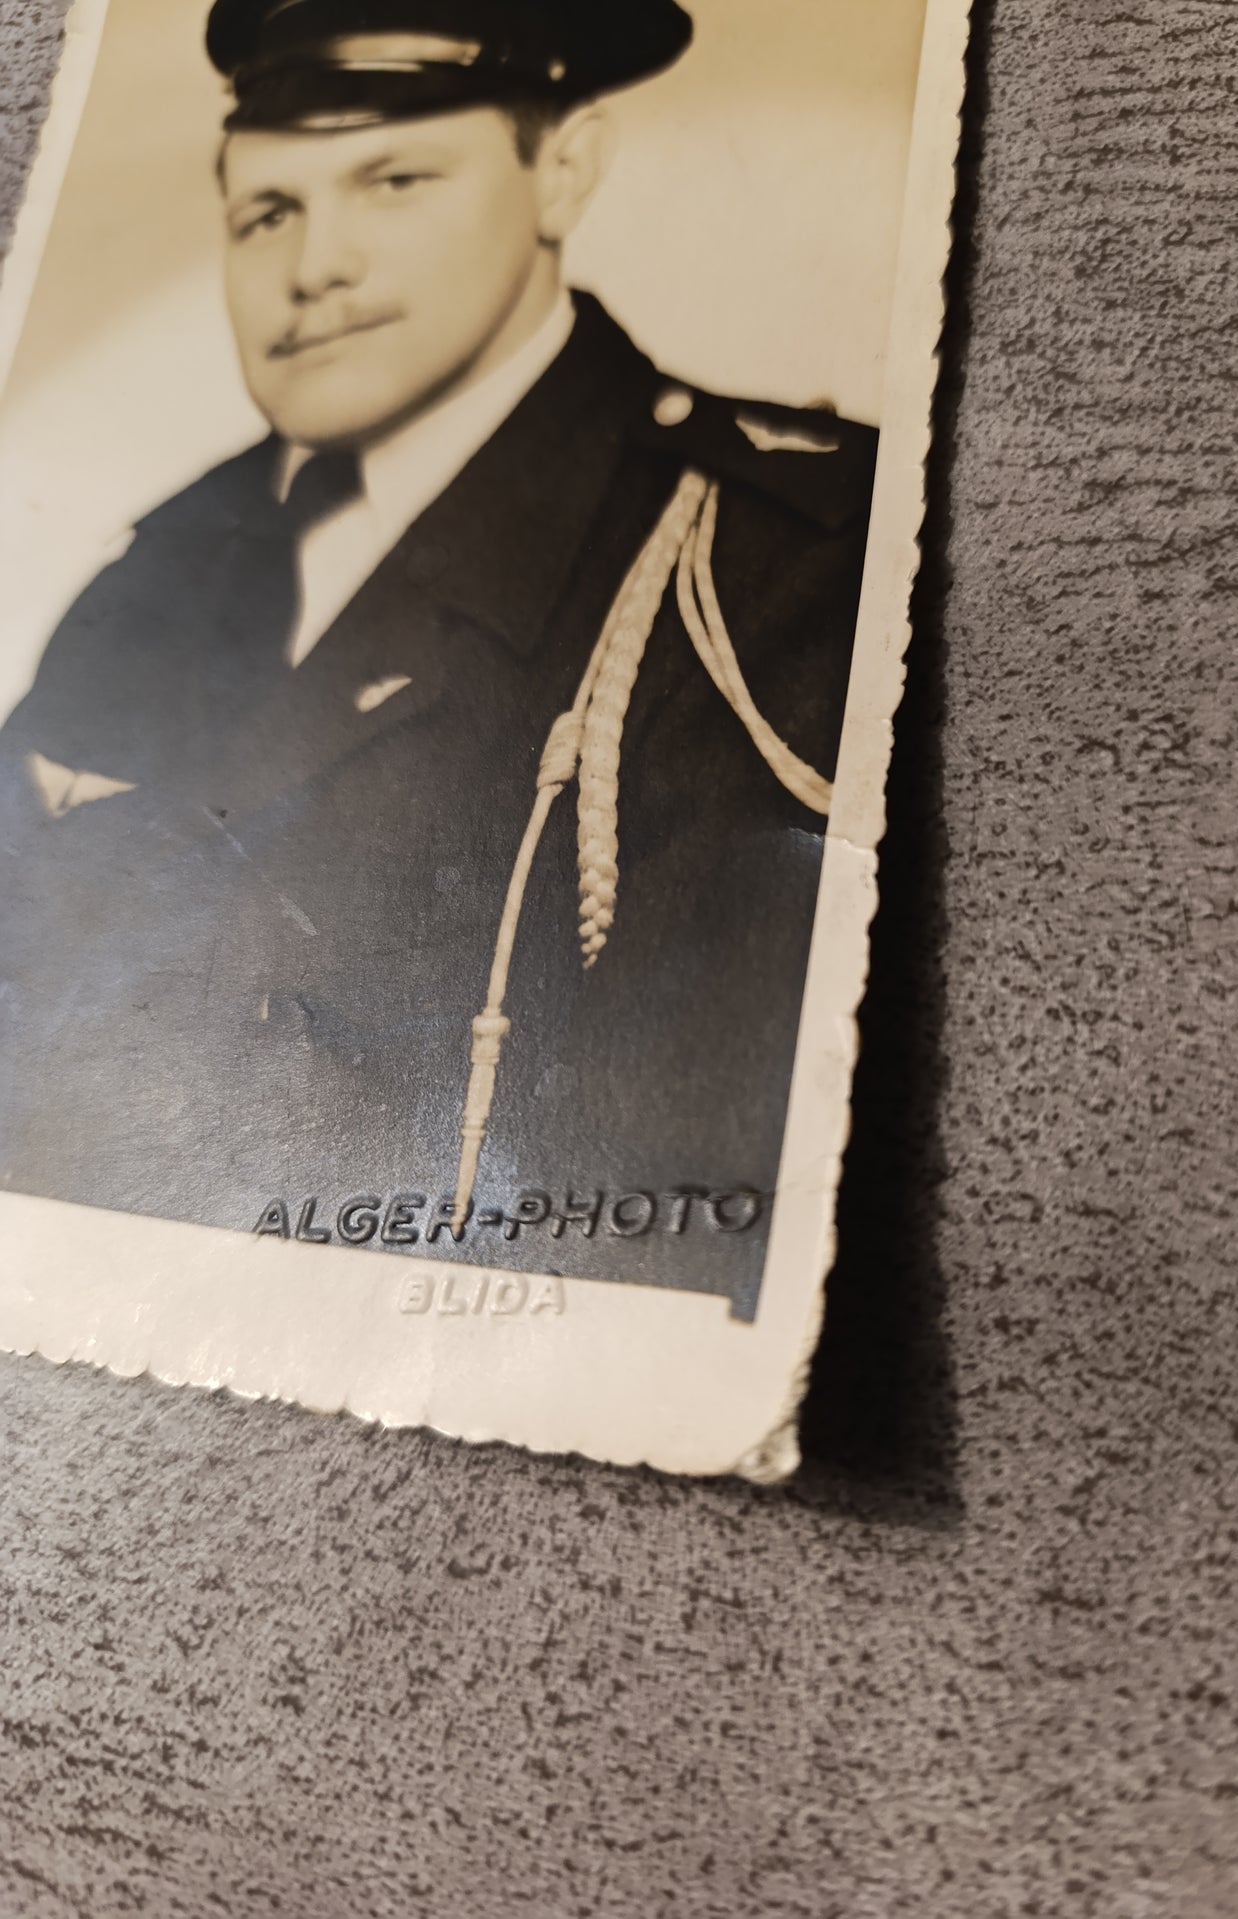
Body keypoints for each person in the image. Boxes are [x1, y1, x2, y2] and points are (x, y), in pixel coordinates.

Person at [0, 0, 877, 1318]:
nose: (316, 267)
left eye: (394, 181)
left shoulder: (765, 563)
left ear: (562, 170)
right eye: (267, 213)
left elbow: (698, 1224)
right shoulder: (160, 571)